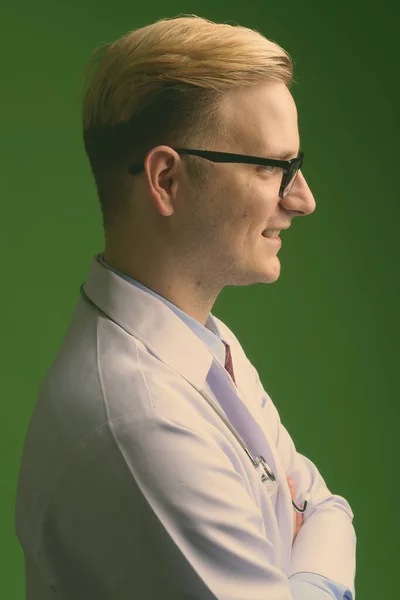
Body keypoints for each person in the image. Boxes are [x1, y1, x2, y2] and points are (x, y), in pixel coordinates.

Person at [14, 14, 356, 600]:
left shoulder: (207, 349)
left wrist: (302, 564)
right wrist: (315, 569)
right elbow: (316, 512)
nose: (303, 199)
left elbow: (325, 504)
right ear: (166, 179)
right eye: (271, 167)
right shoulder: (141, 419)